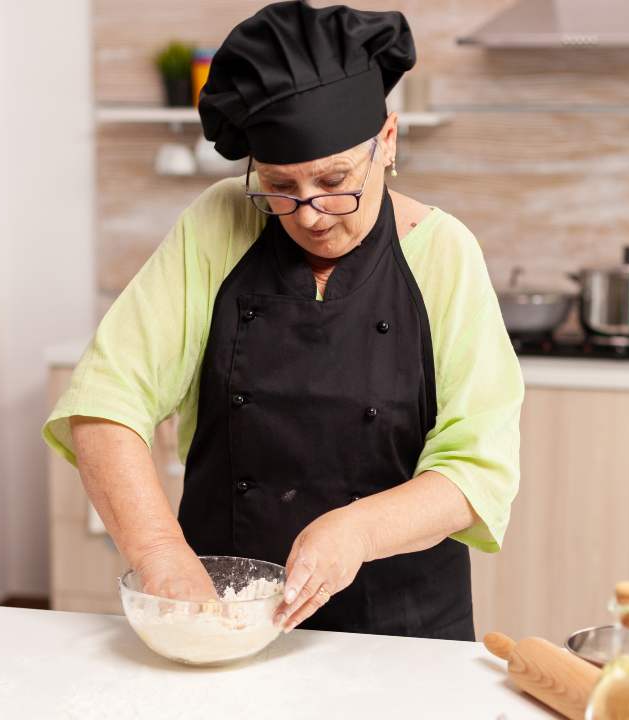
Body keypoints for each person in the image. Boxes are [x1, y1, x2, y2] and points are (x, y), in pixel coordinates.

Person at [44, 1, 522, 641]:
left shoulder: (443, 252)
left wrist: (354, 529)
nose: (311, 214)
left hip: (404, 632)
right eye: (279, 188)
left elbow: (476, 471)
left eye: (333, 181)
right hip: (226, 618)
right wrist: (162, 557)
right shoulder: (217, 225)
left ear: (388, 141)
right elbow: (106, 403)